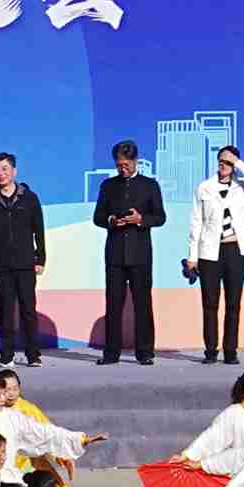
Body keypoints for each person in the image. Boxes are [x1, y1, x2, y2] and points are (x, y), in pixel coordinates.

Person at [185, 145, 244, 366]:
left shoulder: (243, 186)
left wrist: (237, 162)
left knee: (233, 304)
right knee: (210, 304)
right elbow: (196, 222)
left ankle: (231, 351)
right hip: (209, 252)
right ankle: (210, 351)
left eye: (228, 162)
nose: (224, 165)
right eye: (221, 160)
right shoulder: (204, 188)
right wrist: (192, 256)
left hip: (235, 250)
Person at [94, 138, 163, 365]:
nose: (122, 169)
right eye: (119, 165)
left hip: (140, 254)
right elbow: (98, 217)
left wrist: (140, 219)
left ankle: (145, 353)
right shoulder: (108, 186)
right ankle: (111, 353)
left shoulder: (150, 185)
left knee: (143, 304)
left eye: (126, 165)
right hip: (115, 254)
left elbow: (160, 217)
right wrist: (112, 220)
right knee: (113, 304)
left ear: (135, 161)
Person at [0, 151, 47, 366]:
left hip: (26, 264)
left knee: (28, 310)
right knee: (6, 311)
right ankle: (6, 356)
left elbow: (39, 230)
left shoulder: (30, 198)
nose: (0, 174)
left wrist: (40, 259)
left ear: (14, 171)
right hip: (2, 266)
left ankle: (33, 355)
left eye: (4, 169)